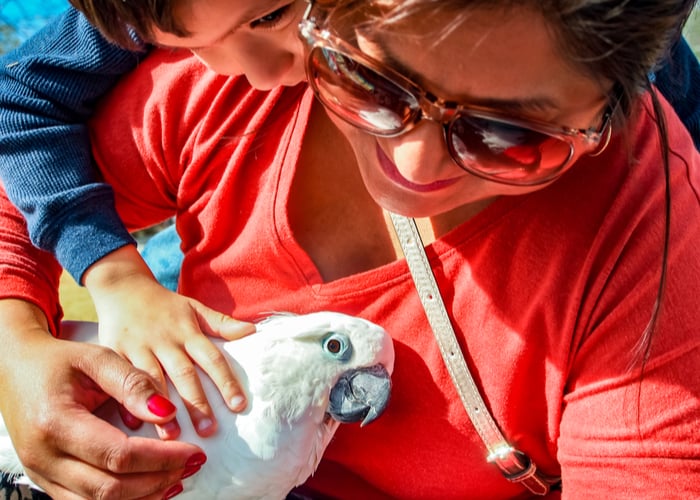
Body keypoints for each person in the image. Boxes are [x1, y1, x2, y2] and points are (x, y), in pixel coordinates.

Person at [2, 0, 699, 498]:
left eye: (508, 136)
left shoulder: (656, 239)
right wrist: (16, 348)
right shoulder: (226, 75)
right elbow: (17, 161)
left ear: (614, 109)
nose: (415, 164)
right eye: (372, 84)